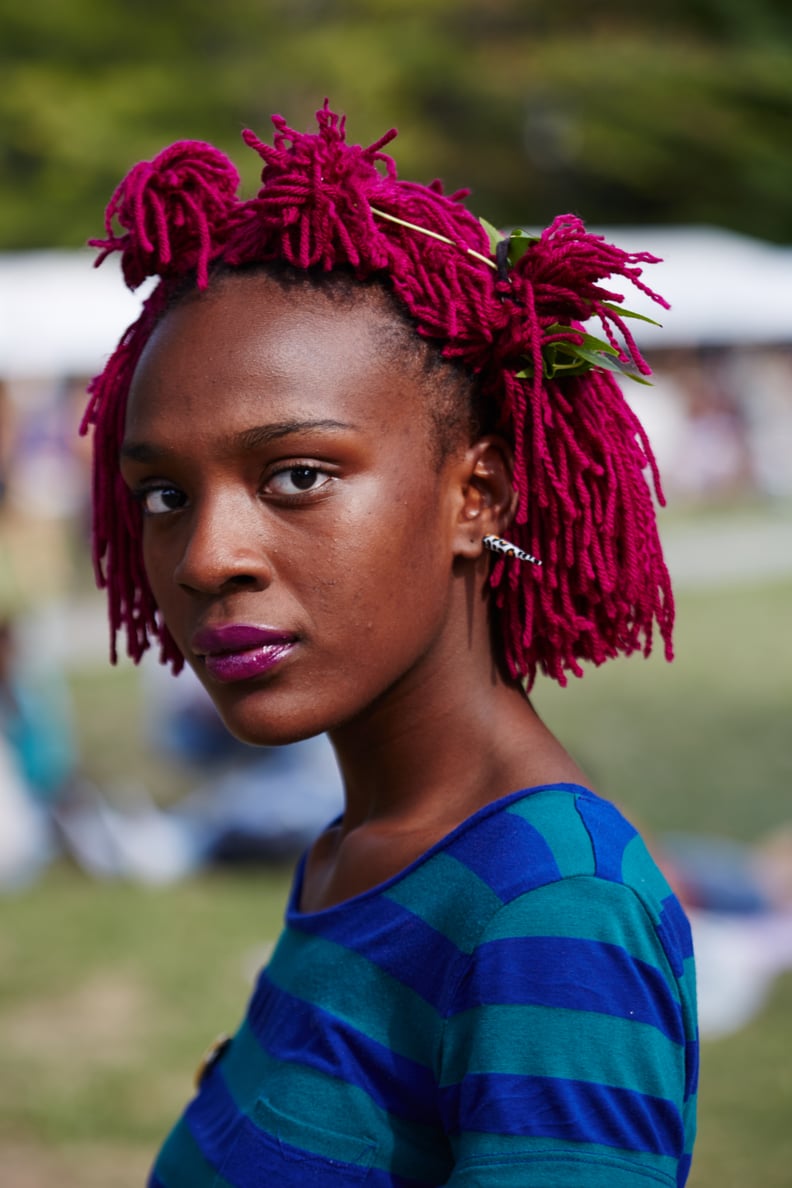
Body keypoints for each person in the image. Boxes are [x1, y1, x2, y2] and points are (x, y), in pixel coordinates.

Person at [82, 103, 698, 1187]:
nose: (203, 558)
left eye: (298, 476)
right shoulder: (359, 847)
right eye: (165, 493)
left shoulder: (551, 914)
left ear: (480, 497)